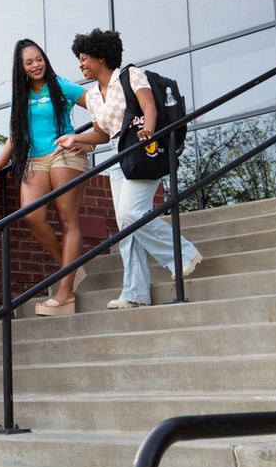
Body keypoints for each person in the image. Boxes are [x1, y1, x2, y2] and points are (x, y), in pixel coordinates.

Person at [55, 28, 202, 309]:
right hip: (118, 156)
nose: (80, 65)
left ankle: (182, 254)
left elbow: (149, 107)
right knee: (125, 225)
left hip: (143, 150)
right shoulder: (94, 97)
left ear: (101, 57)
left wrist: (148, 130)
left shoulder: (130, 76)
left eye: (84, 58)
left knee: (131, 213)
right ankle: (134, 292)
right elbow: (102, 134)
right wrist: (77, 139)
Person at [0, 39, 94, 316]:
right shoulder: (22, 96)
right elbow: (15, 138)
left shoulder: (61, 85)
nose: (36, 65)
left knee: (68, 220)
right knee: (31, 215)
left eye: (38, 59)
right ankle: (70, 268)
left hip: (64, 153)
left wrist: (89, 140)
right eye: (29, 62)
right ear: (22, 69)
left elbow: (99, 106)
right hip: (35, 159)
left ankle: (65, 295)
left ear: (45, 59)